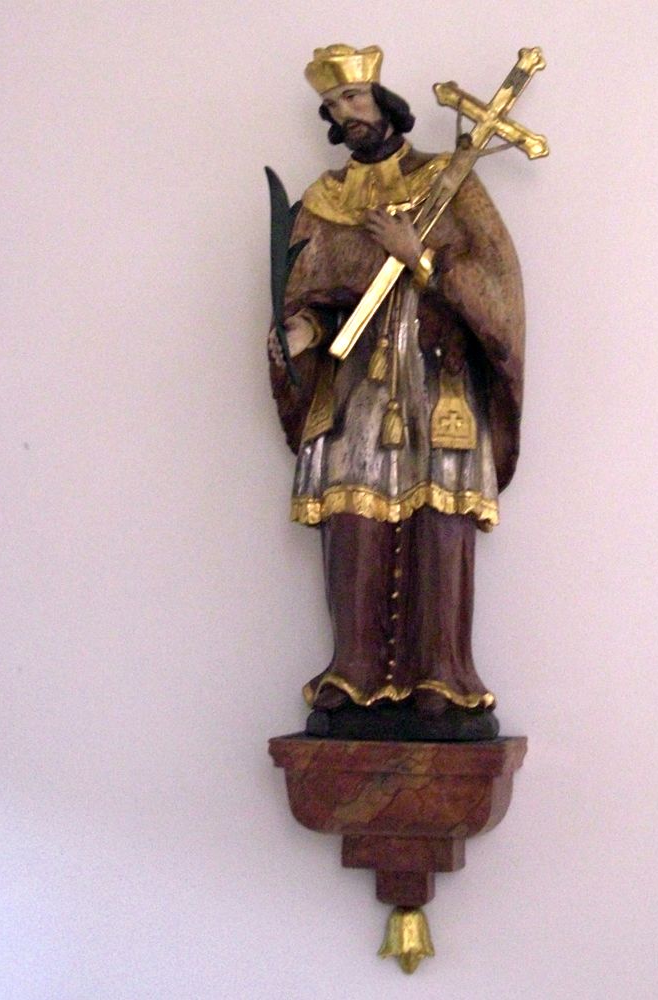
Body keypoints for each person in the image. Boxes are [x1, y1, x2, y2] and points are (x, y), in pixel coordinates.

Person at [268, 44, 524, 727]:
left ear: (382, 100)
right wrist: (300, 332)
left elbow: (496, 286)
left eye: (352, 98)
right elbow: (312, 293)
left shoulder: (450, 181)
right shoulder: (325, 202)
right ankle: (354, 670)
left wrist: (421, 258)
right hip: (358, 383)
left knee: (440, 513)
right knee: (352, 513)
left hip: (438, 374)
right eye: (331, 106)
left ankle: (444, 672)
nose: (344, 113)